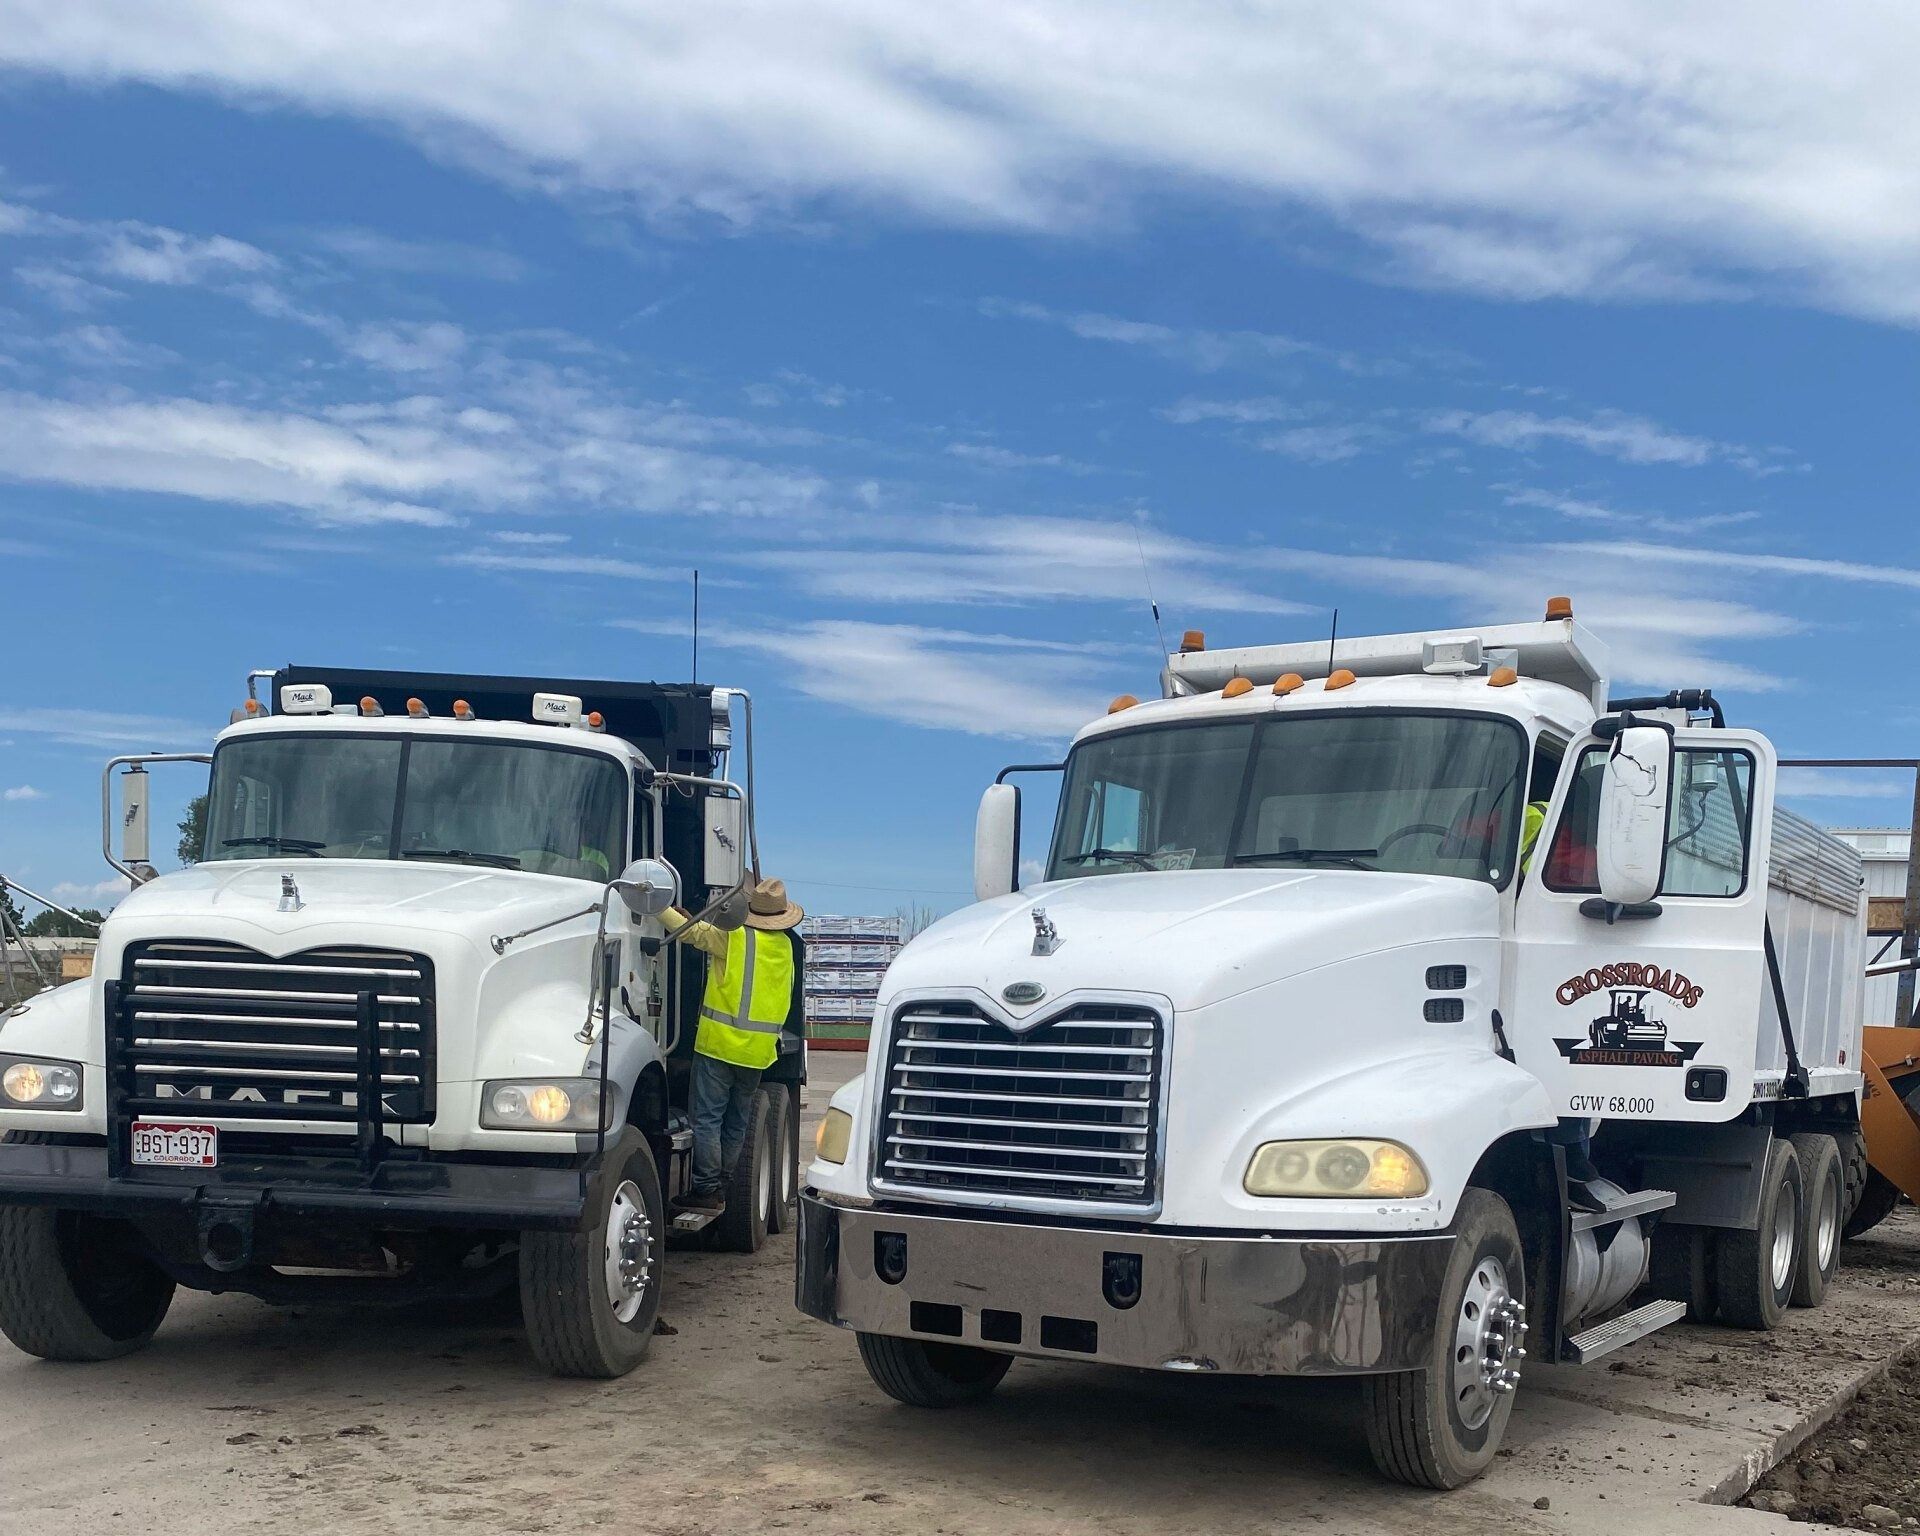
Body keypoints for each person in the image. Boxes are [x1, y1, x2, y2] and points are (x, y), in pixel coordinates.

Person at [663, 875, 803, 1213]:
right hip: (758, 1053)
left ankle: (706, 1189)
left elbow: (693, 934)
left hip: (720, 1046)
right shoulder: (785, 946)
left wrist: (661, 909)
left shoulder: (737, 937)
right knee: (737, 1120)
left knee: (708, 1119)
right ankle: (723, 1182)